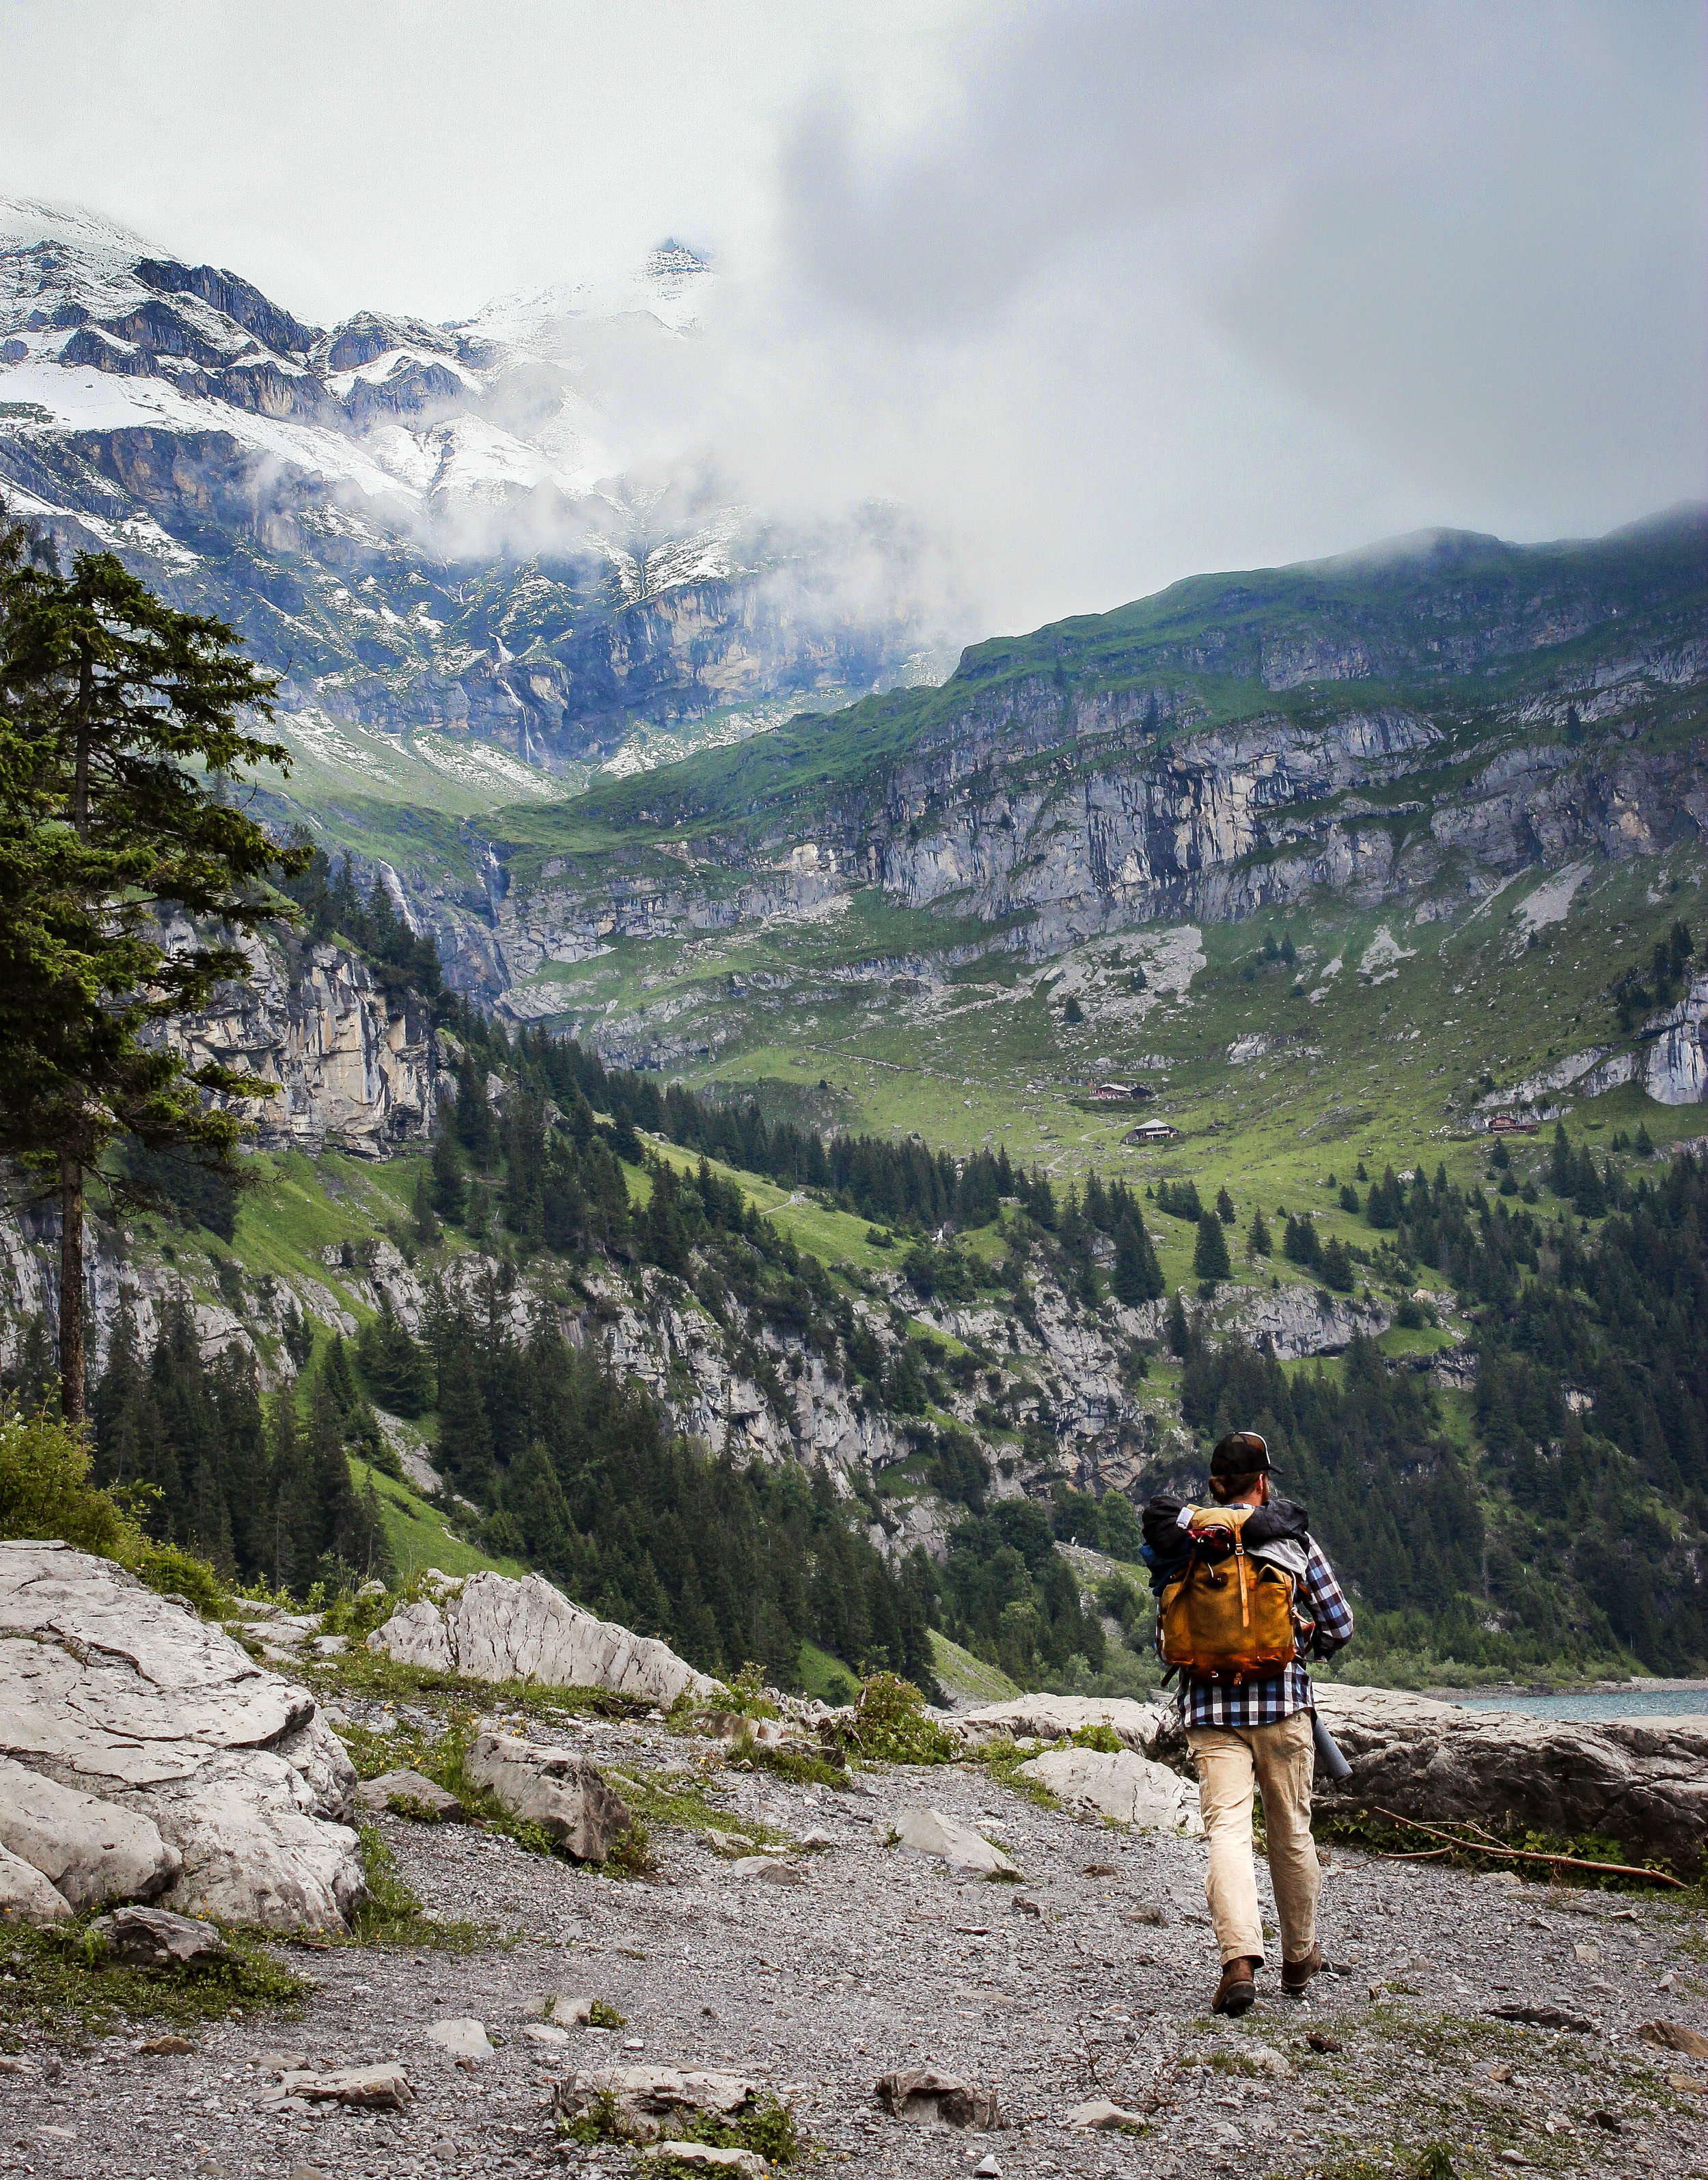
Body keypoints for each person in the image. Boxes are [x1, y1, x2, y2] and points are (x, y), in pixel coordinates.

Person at [1145, 1428, 1353, 2017]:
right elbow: (1340, 1624)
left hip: (1211, 1713)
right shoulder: (1291, 1540)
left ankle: (1239, 1960)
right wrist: (1300, 1638)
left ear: (1214, 1485)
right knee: (1291, 1834)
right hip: (1283, 1711)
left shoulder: (1188, 1543)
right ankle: (1298, 1956)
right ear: (1263, 1482)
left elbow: (1168, 1643)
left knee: (1228, 1834)